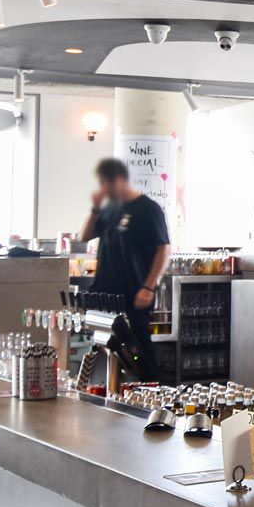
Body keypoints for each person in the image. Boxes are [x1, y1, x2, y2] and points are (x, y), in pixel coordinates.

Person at [79, 157, 170, 377]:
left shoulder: (148, 209)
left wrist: (148, 287)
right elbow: (85, 236)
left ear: (118, 180)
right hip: (106, 293)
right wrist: (95, 208)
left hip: (133, 292)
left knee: (138, 350)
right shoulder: (110, 209)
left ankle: (150, 388)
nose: (103, 189)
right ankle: (112, 389)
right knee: (107, 349)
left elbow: (164, 249)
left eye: (104, 184)